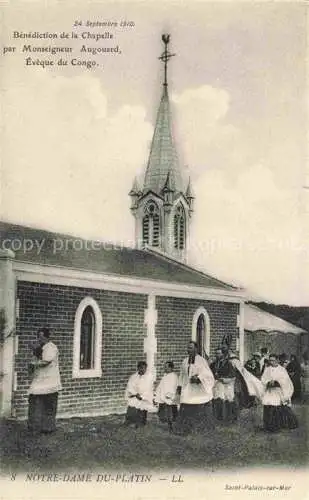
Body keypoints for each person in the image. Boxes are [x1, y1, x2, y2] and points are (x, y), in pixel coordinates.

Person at [174, 341, 215, 435]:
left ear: (196, 349)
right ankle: (184, 429)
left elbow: (208, 375)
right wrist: (179, 386)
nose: (189, 350)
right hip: (187, 388)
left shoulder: (201, 361)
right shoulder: (185, 361)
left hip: (198, 390)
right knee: (186, 406)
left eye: (191, 348)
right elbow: (182, 374)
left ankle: (199, 429)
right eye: (188, 348)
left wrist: (198, 378)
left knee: (197, 407)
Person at [28, 327, 62, 434]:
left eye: (41, 337)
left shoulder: (51, 347)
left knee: (49, 406)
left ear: (47, 337)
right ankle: (34, 426)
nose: (39, 339)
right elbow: (36, 359)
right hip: (40, 381)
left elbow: (46, 361)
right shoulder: (40, 348)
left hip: (50, 382)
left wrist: (34, 362)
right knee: (35, 402)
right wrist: (35, 352)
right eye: (38, 337)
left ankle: (48, 427)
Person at [261, 353, 298, 432]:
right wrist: (268, 382)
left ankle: (276, 426)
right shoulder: (267, 369)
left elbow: (285, 381)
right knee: (267, 406)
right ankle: (267, 425)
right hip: (269, 391)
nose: (271, 362)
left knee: (276, 407)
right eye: (270, 360)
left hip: (277, 391)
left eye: (273, 360)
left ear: (277, 360)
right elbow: (263, 379)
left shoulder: (282, 369)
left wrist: (276, 382)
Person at [124, 361, 154, 428]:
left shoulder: (149, 377)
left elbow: (149, 389)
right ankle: (130, 421)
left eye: (144, 368)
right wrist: (135, 393)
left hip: (143, 397)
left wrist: (142, 396)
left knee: (142, 408)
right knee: (132, 405)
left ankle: (140, 422)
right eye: (141, 368)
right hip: (134, 395)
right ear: (138, 368)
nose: (143, 370)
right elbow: (130, 386)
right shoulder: (133, 377)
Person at [210, 347, 236, 422]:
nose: (217, 355)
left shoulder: (228, 364)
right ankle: (218, 418)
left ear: (223, 354)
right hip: (217, 384)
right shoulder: (213, 364)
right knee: (217, 400)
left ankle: (229, 418)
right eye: (216, 353)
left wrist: (224, 379)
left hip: (226, 385)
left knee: (227, 400)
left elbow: (232, 375)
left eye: (219, 353)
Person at [154, 361, 179, 431]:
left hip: (170, 397)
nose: (164, 369)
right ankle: (168, 423)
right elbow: (161, 386)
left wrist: (170, 394)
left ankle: (172, 425)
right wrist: (156, 394)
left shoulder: (174, 376)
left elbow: (174, 387)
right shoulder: (165, 376)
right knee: (164, 412)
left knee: (170, 411)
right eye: (164, 367)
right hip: (163, 397)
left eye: (166, 367)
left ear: (171, 368)